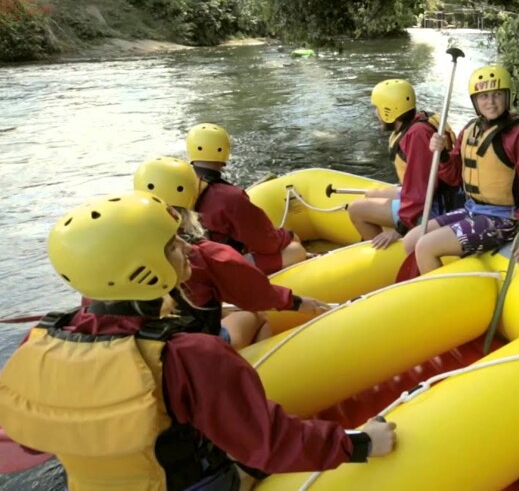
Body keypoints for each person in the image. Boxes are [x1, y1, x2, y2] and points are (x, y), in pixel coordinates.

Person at [0, 191, 397, 490]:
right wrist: (362, 444)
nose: (187, 249)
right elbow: (270, 443)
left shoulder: (40, 341)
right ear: (145, 268)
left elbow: (24, 443)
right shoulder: (189, 355)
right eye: (173, 245)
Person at [134, 157, 332, 349]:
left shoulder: (127, 251)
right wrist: (298, 302)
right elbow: (255, 290)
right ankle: (257, 370)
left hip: (150, 349)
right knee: (258, 315)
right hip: (197, 351)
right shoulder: (203, 253)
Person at [403, 64, 519, 274]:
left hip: (506, 218)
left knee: (426, 246)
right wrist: (443, 153)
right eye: (483, 96)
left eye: (497, 94)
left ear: (507, 96)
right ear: (475, 101)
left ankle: (440, 303)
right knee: (411, 241)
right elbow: (454, 177)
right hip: (472, 209)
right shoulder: (471, 130)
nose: (490, 102)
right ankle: (443, 279)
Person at [347, 79, 460, 249]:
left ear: (389, 110)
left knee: (356, 210)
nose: (375, 113)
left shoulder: (417, 135)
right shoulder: (418, 121)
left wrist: (401, 227)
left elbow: (420, 189)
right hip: (435, 196)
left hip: (433, 206)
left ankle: (385, 256)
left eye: (376, 108)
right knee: (371, 194)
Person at [186, 123, 307, 274]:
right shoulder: (230, 196)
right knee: (295, 250)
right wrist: (288, 235)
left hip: (191, 264)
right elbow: (268, 243)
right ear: (225, 151)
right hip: (218, 270)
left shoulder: (178, 187)